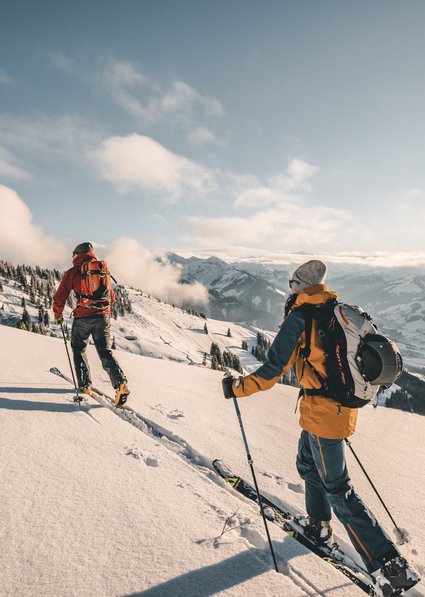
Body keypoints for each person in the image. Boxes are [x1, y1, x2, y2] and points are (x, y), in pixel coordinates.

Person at [222, 259, 419, 594]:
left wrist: (237, 388)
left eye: (291, 285)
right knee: (307, 463)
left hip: (326, 413)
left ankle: (391, 567)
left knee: (337, 488)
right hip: (330, 410)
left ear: (299, 286)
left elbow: (271, 372)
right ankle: (318, 526)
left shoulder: (301, 316)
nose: (289, 291)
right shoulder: (334, 309)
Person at [53, 242, 130, 407]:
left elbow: (60, 296)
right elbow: (112, 297)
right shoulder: (102, 271)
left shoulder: (73, 272)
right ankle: (120, 384)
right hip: (103, 317)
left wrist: (57, 314)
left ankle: (85, 385)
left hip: (83, 318)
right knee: (105, 352)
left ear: (76, 254)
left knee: (79, 349)